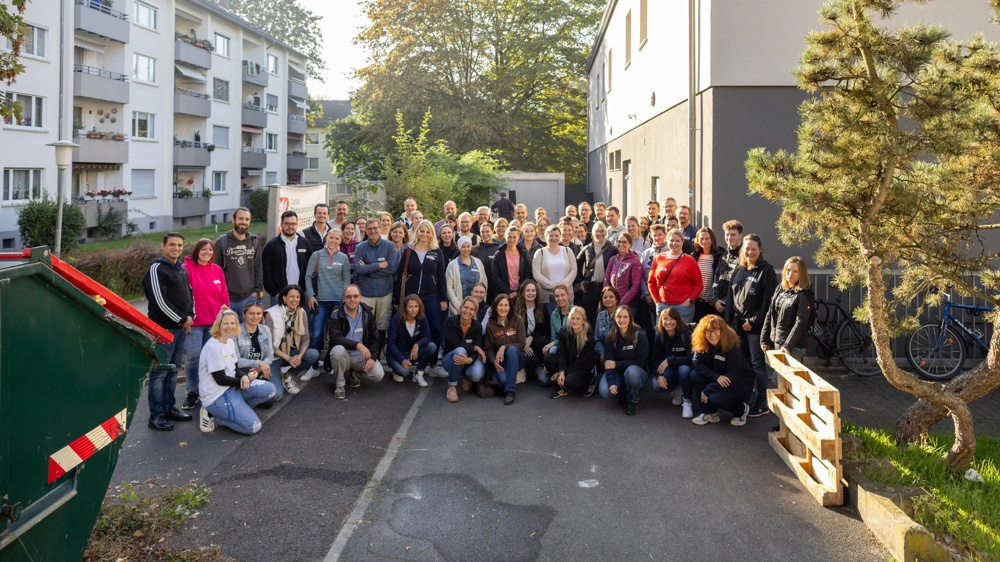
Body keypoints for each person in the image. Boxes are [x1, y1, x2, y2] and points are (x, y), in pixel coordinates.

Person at [143, 233, 195, 431]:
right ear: (163, 246)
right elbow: (159, 301)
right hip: (163, 330)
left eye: (180, 245)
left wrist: (190, 316)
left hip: (180, 329)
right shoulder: (156, 269)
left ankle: (169, 408)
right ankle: (156, 415)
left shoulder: (181, 269)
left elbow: (189, 295)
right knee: (159, 373)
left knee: (173, 371)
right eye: (172, 245)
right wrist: (182, 320)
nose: (176, 248)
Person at [198, 308, 277, 434]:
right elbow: (221, 380)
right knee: (253, 427)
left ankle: (238, 410)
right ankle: (213, 415)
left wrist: (244, 376)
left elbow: (235, 367)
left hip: (232, 388)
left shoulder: (229, 341)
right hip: (217, 395)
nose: (230, 326)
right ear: (218, 324)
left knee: (270, 390)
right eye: (226, 323)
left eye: (233, 323)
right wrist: (243, 379)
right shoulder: (213, 347)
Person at [724, 233, 777, 418]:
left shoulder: (766, 271)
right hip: (737, 327)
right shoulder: (739, 269)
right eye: (747, 248)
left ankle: (762, 401)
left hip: (755, 328)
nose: (750, 252)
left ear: (760, 250)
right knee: (742, 363)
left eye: (754, 249)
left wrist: (753, 321)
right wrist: (728, 323)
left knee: (757, 365)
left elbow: (769, 302)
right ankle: (749, 396)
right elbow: (731, 298)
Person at [181, 238, 229, 411]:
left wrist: (225, 314)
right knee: (194, 357)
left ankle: (208, 388)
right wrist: (185, 318)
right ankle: (193, 390)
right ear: (196, 251)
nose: (207, 252)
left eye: (210, 250)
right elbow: (182, 296)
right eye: (203, 249)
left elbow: (223, 295)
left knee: (211, 358)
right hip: (194, 324)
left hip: (214, 324)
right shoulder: (186, 270)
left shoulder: (217, 270)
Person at [396, 220, 449, 356]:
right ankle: (410, 357)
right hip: (411, 295)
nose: (424, 234)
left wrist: (443, 299)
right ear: (417, 232)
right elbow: (400, 274)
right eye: (422, 231)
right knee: (411, 328)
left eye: (428, 232)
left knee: (435, 327)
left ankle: (433, 364)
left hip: (431, 295)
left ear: (432, 234)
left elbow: (442, 277)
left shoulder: (437, 252)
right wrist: (397, 299)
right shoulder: (408, 251)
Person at [690, 315, 755, 426]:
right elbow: (696, 363)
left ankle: (741, 410)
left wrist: (708, 389)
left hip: (740, 382)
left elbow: (733, 376)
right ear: (703, 332)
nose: (712, 335)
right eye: (709, 331)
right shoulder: (702, 344)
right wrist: (716, 376)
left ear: (722, 331)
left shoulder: (732, 346)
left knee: (715, 398)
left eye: (716, 331)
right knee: (694, 375)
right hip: (720, 378)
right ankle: (710, 413)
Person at [326, 284, 386, 399]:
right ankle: (339, 385)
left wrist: (373, 358)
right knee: (337, 350)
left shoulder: (367, 313)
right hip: (344, 354)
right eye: (348, 297)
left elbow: (375, 338)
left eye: (355, 296)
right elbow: (336, 338)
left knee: (378, 374)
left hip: (360, 356)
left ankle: (355, 374)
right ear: (344, 298)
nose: (352, 299)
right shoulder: (336, 314)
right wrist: (358, 345)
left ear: (360, 297)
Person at [354, 219, 400, 363]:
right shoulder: (360, 247)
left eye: (375, 228)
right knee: (364, 327)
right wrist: (379, 265)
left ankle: (376, 357)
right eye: (369, 229)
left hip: (384, 294)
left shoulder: (389, 246)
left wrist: (368, 269)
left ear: (380, 229)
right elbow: (358, 269)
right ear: (366, 231)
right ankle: (363, 356)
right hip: (365, 294)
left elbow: (392, 268)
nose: (373, 231)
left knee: (381, 327)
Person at [305, 229, 351, 368]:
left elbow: (346, 280)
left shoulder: (343, 258)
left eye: (337, 239)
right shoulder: (317, 255)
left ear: (340, 241)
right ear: (326, 238)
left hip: (337, 301)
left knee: (335, 335)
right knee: (317, 334)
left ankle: (330, 364)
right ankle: (313, 367)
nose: (333, 241)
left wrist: (345, 299)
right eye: (331, 237)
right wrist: (311, 295)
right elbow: (308, 277)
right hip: (320, 302)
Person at [264, 284, 319, 395]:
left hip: (291, 352)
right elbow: (268, 344)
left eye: (298, 297)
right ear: (284, 298)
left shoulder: (301, 313)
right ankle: (270, 375)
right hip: (273, 357)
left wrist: (300, 356)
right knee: (277, 395)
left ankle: (287, 375)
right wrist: (288, 358)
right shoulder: (271, 314)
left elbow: (306, 337)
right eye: (292, 296)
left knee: (313, 354)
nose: (295, 300)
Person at [761, 256, 815, 362]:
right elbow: (770, 313)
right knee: (778, 378)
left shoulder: (805, 295)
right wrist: (764, 339)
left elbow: (801, 323)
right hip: (778, 341)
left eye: (795, 271)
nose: (790, 274)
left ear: (801, 274)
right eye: (788, 270)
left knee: (783, 378)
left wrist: (788, 345)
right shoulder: (780, 288)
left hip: (794, 346)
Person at [598, 306, 650, 415]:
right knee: (604, 391)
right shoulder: (610, 337)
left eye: (625, 317)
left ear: (630, 318)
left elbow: (640, 362)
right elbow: (608, 364)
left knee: (631, 372)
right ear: (615, 319)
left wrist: (616, 364)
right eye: (619, 317)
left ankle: (633, 401)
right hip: (618, 372)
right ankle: (622, 391)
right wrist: (611, 382)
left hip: (637, 372)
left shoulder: (640, 335)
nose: (622, 320)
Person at [215, 207, 264, 322]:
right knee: (228, 334)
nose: (244, 222)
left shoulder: (254, 242)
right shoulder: (222, 242)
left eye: (247, 219)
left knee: (248, 334)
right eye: (240, 218)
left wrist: (256, 292)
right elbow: (216, 272)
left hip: (248, 298)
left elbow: (258, 268)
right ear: (233, 220)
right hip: (227, 299)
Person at [648, 228, 702, 324]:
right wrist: (657, 302)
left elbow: (699, 285)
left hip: (683, 308)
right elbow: (651, 282)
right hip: (663, 306)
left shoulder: (690, 261)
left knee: (682, 337)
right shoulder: (659, 258)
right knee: (661, 337)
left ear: (682, 242)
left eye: (677, 240)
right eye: (671, 240)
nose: (674, 243)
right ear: (667, 241)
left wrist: (688, 302)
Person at [650, 307, 694, 418]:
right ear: (661, 321)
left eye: (672, 319)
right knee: (656, 384)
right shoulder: (660, 336)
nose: (668, 322)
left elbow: (693, 358)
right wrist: (659, 375)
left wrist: (671, 360)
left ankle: (687, 402)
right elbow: (655, 359)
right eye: (665, 319)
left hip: (686, 368)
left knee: (684, 370)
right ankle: (677, 389)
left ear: (677, 320)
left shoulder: (687, 334)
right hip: (670, 370)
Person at [484, 294, 527, 405]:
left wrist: (504, 347)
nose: (503, 308)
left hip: (518, 357)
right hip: (502, 361)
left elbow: (522, 344)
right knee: (504, 381)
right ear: (495, 307)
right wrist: (494, 361)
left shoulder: (517, 319)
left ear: (510, 306)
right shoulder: (490, 324)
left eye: (506, 305)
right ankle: (513, 377)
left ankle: (510, 392)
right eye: (500, 305)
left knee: (512, 350)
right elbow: (488, 348)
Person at [442, 296, 488, 402]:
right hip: (449, 359)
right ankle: (452, 386)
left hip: (467, 360)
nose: (467, 311)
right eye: (465, 307)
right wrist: (474, 347)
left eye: (472, 309)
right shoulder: (450, 321)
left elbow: (477, 352)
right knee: (460, 351)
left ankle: (466, 378)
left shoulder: (477, 327)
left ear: (475, 312)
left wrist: (470, 360)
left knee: (477, 375)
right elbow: (452, 343)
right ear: (461, 308)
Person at [386, 295, 438, 386]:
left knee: (432, 346)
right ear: (405, 308)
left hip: (411, 352)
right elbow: (390, 343)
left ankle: (419, 373)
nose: (414, 309)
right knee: (404, 372)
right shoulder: (397, 319)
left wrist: (417, 344)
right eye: (410, 306)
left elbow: (427, 337)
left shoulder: (422, 318)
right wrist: (401, 360)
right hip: (396, 354)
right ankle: (395, 369)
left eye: (416, 306)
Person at [548, 306, 597, 399]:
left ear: (583, 321)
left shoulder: (589, 335)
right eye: (572, 318)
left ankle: (589, 382)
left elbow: (583, 361)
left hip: (582, 367)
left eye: (578, 318)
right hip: (568, 363)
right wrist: (561, 370)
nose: (575, 321)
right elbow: (561, 353)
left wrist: (562, 372)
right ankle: (563, 385)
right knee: (549, 359)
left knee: (570, 381)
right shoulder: (564, 331)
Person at [262, 211, 310, 301]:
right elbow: (265, 271)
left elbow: (310, 269)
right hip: (279, 296)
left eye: (293, 224)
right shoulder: (271, 246)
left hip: (301, 295)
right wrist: (274, 292)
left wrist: (305, 290)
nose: (290, 227)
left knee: (301, 316)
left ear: (297, 224)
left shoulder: (305, 243)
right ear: (281, 224)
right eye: (287, 223)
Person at [575, 222, 616, 324]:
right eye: (597, 231)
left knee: (605, 314)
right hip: (590, 287)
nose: (600, 233)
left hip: (606, 287)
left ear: (606, 232)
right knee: (589, 315)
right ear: (592, 233)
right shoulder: (587, 249)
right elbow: (576, 265)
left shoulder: (612, 249)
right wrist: (581, 282)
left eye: (602, 231)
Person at [236, 302, 278, 400]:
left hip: (260, 370)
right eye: (251, 313)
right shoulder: (236, 332)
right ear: (244, 315)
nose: (255, 317)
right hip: (242, 372)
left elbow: (270, 356)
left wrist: (259, 368)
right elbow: (236, 361)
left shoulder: (265, 329)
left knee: (272, 398)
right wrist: (258, 363)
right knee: (266, 394)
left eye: (258, 313)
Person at [532, 224, 579, 314]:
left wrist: (563, 285)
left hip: (566, 295)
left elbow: (573, 270)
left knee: (568, 323)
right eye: (551, 235)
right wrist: (554, 286)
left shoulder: (567, 250)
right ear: (546, 236)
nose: (554, 238)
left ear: (560, 236)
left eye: (556, 235)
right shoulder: (540, 252)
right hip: (548, 297)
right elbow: (536, 274)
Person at [514, 280, 550, 384]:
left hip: (535, 343)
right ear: (523, 292)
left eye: (533, 290)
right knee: (532, 360)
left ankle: (540, 366)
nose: (531, 293)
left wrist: (532, 337)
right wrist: (523, 344)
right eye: (528, 290)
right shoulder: (516, 309)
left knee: (542, 341)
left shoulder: (542, 308)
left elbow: (545, 329)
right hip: (521, 343)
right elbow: (513, 330)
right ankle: (527, 368)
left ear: (537, 292)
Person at [541, 284, 574, 385]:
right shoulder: (554, 315)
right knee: (543, 381)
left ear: (568, 295)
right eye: (557, 296)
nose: (560, 298)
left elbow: (573, 337)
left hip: (573, 348)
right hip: (560, 349)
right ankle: (558, 373)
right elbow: (553, 337)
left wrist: (552, 343)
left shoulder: (576, 312)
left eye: (562, 295)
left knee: (552, 347)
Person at [489, 224, 531, 304]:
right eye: (509, 237)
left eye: (514, 237)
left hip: (520, 294)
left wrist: (518, 290)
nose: (512, 240)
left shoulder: (524, 254)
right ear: (505, 236)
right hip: (503, 293)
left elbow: (528, 273)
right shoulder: (499, 254)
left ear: (518, 237)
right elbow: (495, 275)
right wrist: (508, 291)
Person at [446, 236, 487, 314]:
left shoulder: (478, 262)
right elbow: (448, 287)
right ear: (459, 248)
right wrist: (459, 307)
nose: (466, 249)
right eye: (463, 247)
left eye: (468, 246)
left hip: (477, 307)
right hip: (459, 308)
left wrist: (482, 299)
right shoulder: (452, 265)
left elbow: (484, 281)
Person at [691, 227, 724, 322]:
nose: (704, 241)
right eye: (701, 238)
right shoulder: (693, 256)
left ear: (712, 239)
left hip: (712, 303)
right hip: (696, 302)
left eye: (707, 238)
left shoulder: (720, 256)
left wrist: (714, 298)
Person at [604, 233, 643, 310]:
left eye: (624, 242)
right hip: (612, 303)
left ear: (630, 244)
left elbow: (636, 286)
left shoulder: (635, 261)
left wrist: (622, 302)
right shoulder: (613, 259)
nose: (621, 244)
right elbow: (606, 279)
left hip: (628, 305)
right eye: (619, 241)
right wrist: (608, 297)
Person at [712, 220, 744, 314]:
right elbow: (716, 280)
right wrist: (715, 300)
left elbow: (741, 286)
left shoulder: (744, 258)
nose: (729, 238)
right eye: (727, 234)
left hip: (734, 308)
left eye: (733, 234)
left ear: (740, 235)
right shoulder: (724, 256)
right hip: (719, 306)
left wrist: (725, 302)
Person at [594, 286, 620, 367]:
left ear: (617, 299)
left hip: (620, 355)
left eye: (611, 297)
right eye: (605, 297)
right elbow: (597, 339)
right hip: (604, 356)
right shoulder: (600, 315)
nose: (608, 299)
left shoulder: (622, 314)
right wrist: (603, 352)